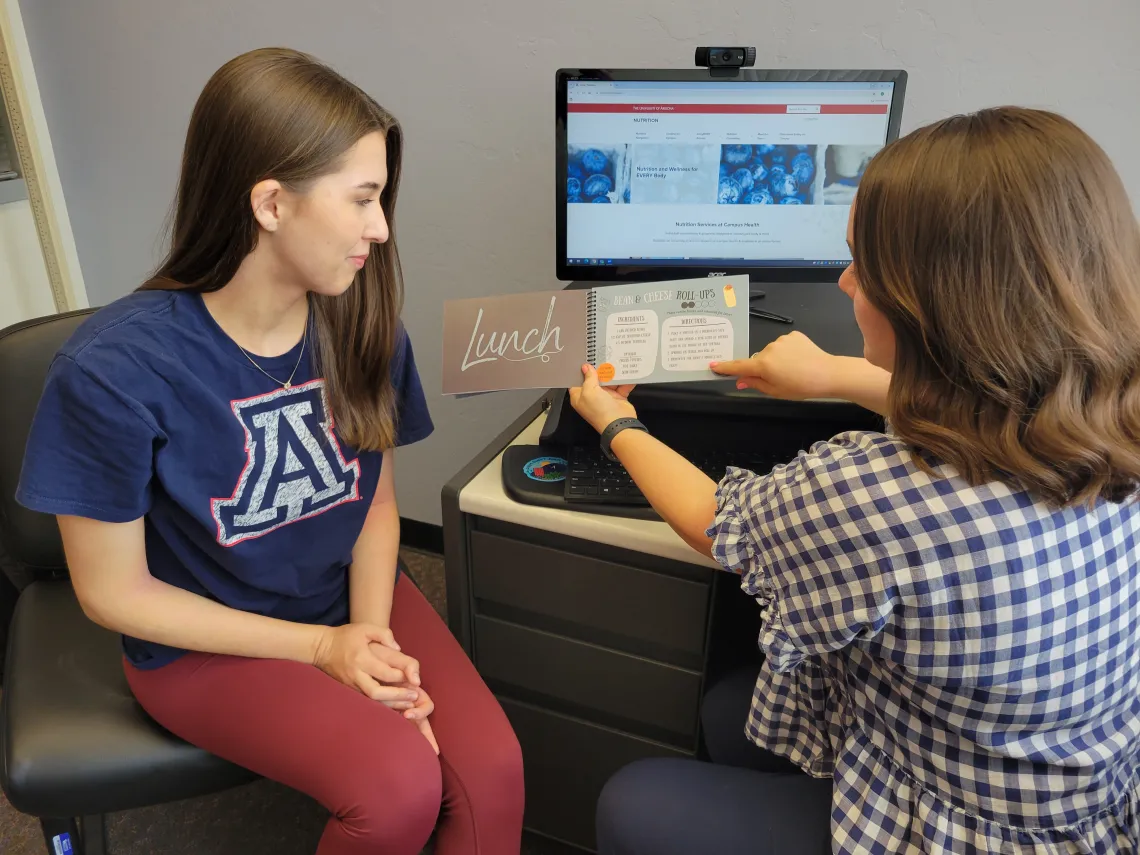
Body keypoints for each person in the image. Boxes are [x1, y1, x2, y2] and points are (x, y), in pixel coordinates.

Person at [570, 107, 1140, 854]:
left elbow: (715, 519)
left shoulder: (885, 492)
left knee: (633, 797)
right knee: (724, 705)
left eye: (862, 267)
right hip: (1086, 806)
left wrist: (614, 422)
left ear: (935, 301)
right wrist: (837, 373)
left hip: (951, 828)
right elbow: (988, 416)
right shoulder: (1108, 413)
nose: (844, 283)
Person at [16, 48, 523, 855]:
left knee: (492, 773)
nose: (381, 227)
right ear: (271, 203)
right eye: (362, 199)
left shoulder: (363, 326)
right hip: (202, 643)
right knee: (397, 789)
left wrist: (370, 646)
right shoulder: (113, 370)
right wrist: (323, 650)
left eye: (382, 198)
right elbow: (114, 594)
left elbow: (377, 505)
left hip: (343, 602)